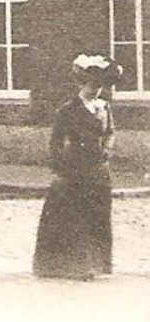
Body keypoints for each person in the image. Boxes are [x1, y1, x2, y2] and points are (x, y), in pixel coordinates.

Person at [33, 56, 119, 279]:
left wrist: (107, 150)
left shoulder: (104, 107)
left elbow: (110, 132)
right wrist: (60, 168)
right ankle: (71, 265)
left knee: (98, 216)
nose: (96, 90)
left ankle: (98, 264)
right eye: (92, 85)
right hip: (75, 170)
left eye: (99, 86)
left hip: (99, 171)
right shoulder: (68, 110)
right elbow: (56, 141)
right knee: (74, 217)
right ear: (82, 84)